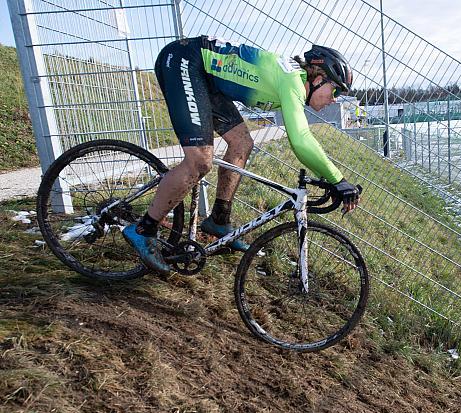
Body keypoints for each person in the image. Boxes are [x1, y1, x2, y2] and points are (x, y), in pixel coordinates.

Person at [123, 36, 361, 273]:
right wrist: (337, 180)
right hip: (185, 61)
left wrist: (332, 180)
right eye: (336, 91)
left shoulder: (294, 81)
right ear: (319, 79)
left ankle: (218, 219)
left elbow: (301, 141)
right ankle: (144, 229)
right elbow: (300, 139)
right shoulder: (293, 82)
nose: (334, 100)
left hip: (207, 79)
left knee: (242, 144)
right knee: (200, 161)